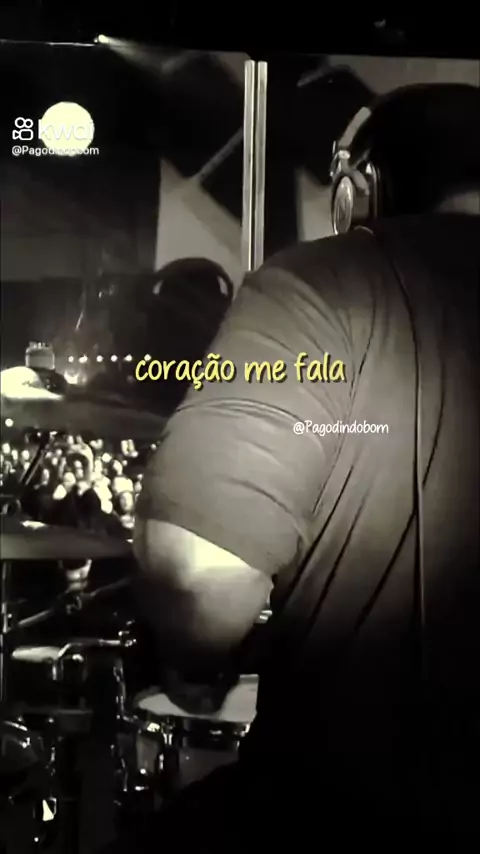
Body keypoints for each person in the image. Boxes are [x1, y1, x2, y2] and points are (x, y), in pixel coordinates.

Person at [125, 84, 479, 848]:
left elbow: (196, 571)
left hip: (346, 816)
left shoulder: (321, 285)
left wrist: (193, 662)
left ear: (357, 190)